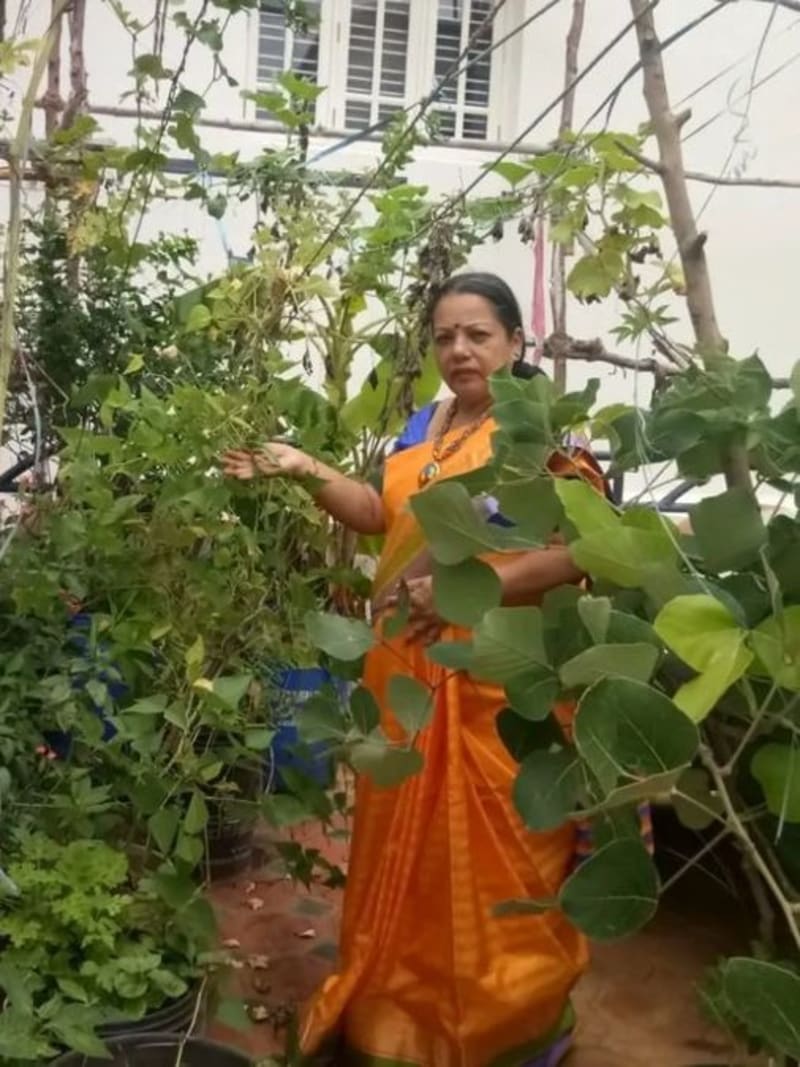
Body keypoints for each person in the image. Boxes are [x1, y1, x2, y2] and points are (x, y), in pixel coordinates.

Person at [222, 272, 608, 1067]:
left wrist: (475, 587)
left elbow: (580, 551)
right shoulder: (420, 429)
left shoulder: (544, 435)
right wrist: (300, 464)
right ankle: (397, 1020)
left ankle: (502, 1028)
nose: (459, 349)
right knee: (407, 857)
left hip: (499, 684)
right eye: (444, 336)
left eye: (478, 334)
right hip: (405, 677)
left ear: (515, 342)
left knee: (496, 868)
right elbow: (378, 515)